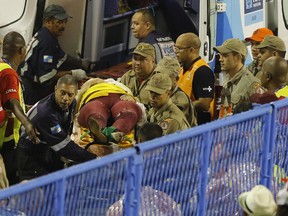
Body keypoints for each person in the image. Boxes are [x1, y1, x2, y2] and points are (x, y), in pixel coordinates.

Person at [16, 75, 96, 181]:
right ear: (55, 89)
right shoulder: (46, 114)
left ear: (75, 94)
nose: (65, 98)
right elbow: (64, 147)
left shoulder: (72, 104)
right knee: (35, 194)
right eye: (62, 93)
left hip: (47, 149)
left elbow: (65, 131)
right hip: (30, 155)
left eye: (70, 94)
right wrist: (94, 159)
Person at [19, 4, 91, 107]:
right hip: (30, 89)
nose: (63, 26)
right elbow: (46, 76)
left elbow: (62, 57)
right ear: (48, 21)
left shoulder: (46, 36)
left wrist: (81, 63)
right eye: (59, 22)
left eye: (65, 22)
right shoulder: (47, 42)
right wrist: (73, 73)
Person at [0, 31, 40, 185]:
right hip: (6, 140)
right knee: (11, 182)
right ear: (22, 50)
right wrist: (27, 123)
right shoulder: (9, 73)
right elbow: (13, 102)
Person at [75, 78, 146, 144]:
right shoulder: (118, 85)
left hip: (97, 97)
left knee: (95, 112)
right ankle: (113, 132)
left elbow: (77, 101)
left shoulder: (90, 85)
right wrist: (134, 100)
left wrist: (133, 99)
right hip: (117, 97)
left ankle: (101, 130)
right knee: (128, 112)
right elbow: (141, 110)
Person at [213, 38, 265, 118]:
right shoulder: (227, 78)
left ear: (238, 57)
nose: (220, 59)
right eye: (220, 55)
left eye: (225, 55)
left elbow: (262, 114)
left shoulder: (251, 84)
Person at [175, 32, 215, 124]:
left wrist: (180, 107)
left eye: (179, 48)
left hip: (198, 126)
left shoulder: (203, 71)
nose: (176, 52)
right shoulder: (182, 69)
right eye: (175, 48)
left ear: (191, 50)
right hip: (184, 122)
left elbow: (204, 104)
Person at [154, 56, 197, 126]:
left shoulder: (180, 99)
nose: (160, 79)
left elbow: (168, 123)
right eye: (158, 74)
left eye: (166, 76)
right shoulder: (157, 93)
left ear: (176, 79)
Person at [120, 42, 157, 108]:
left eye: (142, 60)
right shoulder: (127, 76)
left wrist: (136, 102)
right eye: (135, 58)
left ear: (153, 61)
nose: (137, 63)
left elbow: (158, 109)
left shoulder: (159, 80)